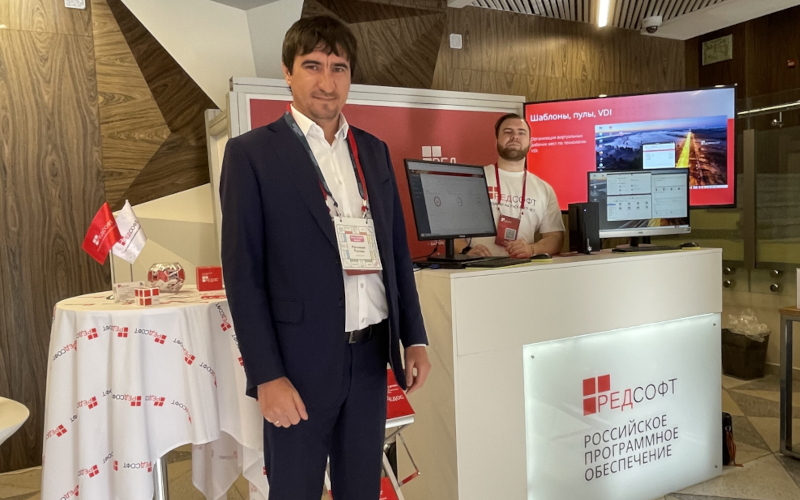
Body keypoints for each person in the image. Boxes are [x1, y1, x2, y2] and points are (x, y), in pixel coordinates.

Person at [219, 16, 431, 500]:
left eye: (339, 68)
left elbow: (396, 254)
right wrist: (267, 375)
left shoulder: (373, 152)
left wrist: (414, 337)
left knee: (362, 488)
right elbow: (243, 275)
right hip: (298, 363)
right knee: (294, 489)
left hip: (370, 356)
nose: (327, 82)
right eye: (312, 66)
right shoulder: (252, 154)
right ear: (287, 72)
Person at [466, 113, 565, 258]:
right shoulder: (473, 179)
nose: (514, 136)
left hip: (523, 268)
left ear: (530, 142)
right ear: (496, 141)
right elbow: (452, 231)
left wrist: (531, 249)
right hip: (477, 267)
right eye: (508, 132)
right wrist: (465, 252)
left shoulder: (544, 189)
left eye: (521, 132)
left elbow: (555, 238)